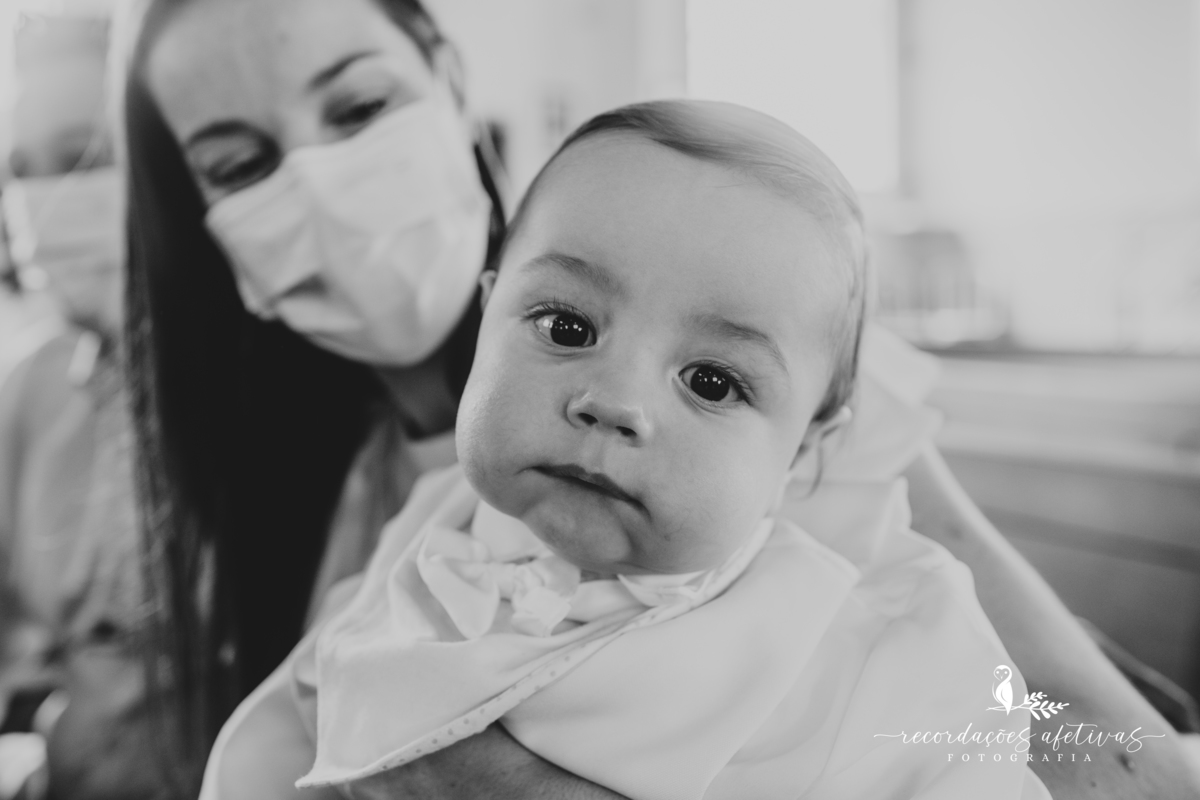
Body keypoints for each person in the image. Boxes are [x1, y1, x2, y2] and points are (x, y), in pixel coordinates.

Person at [122, 0, 1199, 797]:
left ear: (448, 78)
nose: (615, 400)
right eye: (239, 161)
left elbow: (1093, 749)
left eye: (358, 105)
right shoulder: (362, 515)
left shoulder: (808, 423)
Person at [205, 99, 1052, 800]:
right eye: (567, 327)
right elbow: (289, 723)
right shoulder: (429, 527)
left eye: (713, 382)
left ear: (802, 458)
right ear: (486, 329)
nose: (613, 402)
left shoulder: (886, 648)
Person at [0, 10, 163, 800]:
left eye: (82, 156)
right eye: (18, 167)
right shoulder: (29, 389)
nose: (39, 197)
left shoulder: (289, 395)